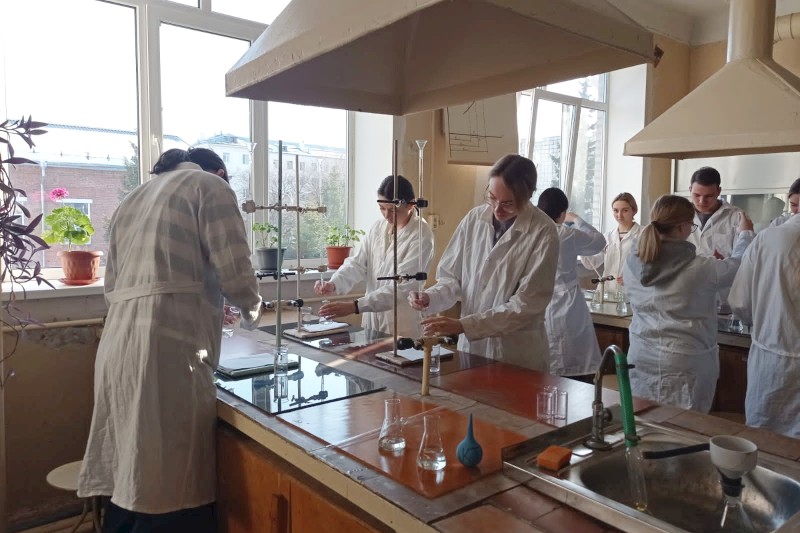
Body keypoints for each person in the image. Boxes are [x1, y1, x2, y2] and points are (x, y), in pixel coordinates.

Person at [77, 147, 262, 531]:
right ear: (221, 173)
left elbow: (114, 287)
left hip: (118, 346)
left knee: (128, 474)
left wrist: (203, 302)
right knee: (167, 480)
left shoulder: (133, 199)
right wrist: (253, 312)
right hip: (166, 355)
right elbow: (235, 269)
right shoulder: (210, 186)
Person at [408, 154, 559, 371]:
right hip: (472, 350)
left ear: (528, 196)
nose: (497, 209)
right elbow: (451, 278)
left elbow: (525, 306)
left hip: (515, 354)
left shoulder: (543, 231)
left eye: (508, 203)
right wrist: (430, 297)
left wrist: (464, 325)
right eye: (492, 197)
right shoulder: (474, 219)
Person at [622, 195, 752, 412]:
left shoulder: (632, 261)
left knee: (643, 421)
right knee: (683, 426)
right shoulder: (700, 268)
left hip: (641, 355)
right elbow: (738, 265)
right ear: (682, 227)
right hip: (684, 362)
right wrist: (745, 234)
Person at [314, 175, 434, 337]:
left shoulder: (421, 235)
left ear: (411, 205)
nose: (386, 215)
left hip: (402, 324)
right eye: (382, 208)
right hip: (372, 320)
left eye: (393, 210)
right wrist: (334, 283)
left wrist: (355, 306)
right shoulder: (378, 227)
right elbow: (357, 263)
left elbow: (403, 288)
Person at [729, 214, 800, 438]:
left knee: (764, 438)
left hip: (773, 359)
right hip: (775, 352)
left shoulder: (769, 238)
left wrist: (762, 321)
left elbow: (740, 302)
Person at [537, 188, 605, 379]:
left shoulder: (530, 232)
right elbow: (598, 241)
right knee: (575, 367)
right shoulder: (566, 234)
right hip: (566, 303)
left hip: (539, 303)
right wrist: (576, 219)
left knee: (547, 367)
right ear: (562, 214)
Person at [686, 166, 754, 311]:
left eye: (708, 196)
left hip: (724, 301)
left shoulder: (736, 217)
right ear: (690, 189)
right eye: (696, 195)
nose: (701, 201)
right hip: (688, 298)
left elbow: (745, 260)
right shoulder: (681, 215)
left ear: (719, 191)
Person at [580, 192, 641, 296]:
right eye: (616, 210)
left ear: (634, 210)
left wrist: (635, 278)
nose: (619, 215)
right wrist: (582, 246)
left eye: (625, 210)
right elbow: (592, 264)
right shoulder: (607, 236)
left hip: (631, 293)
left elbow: (652, 266)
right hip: (606, 291)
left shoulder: (643, 235)